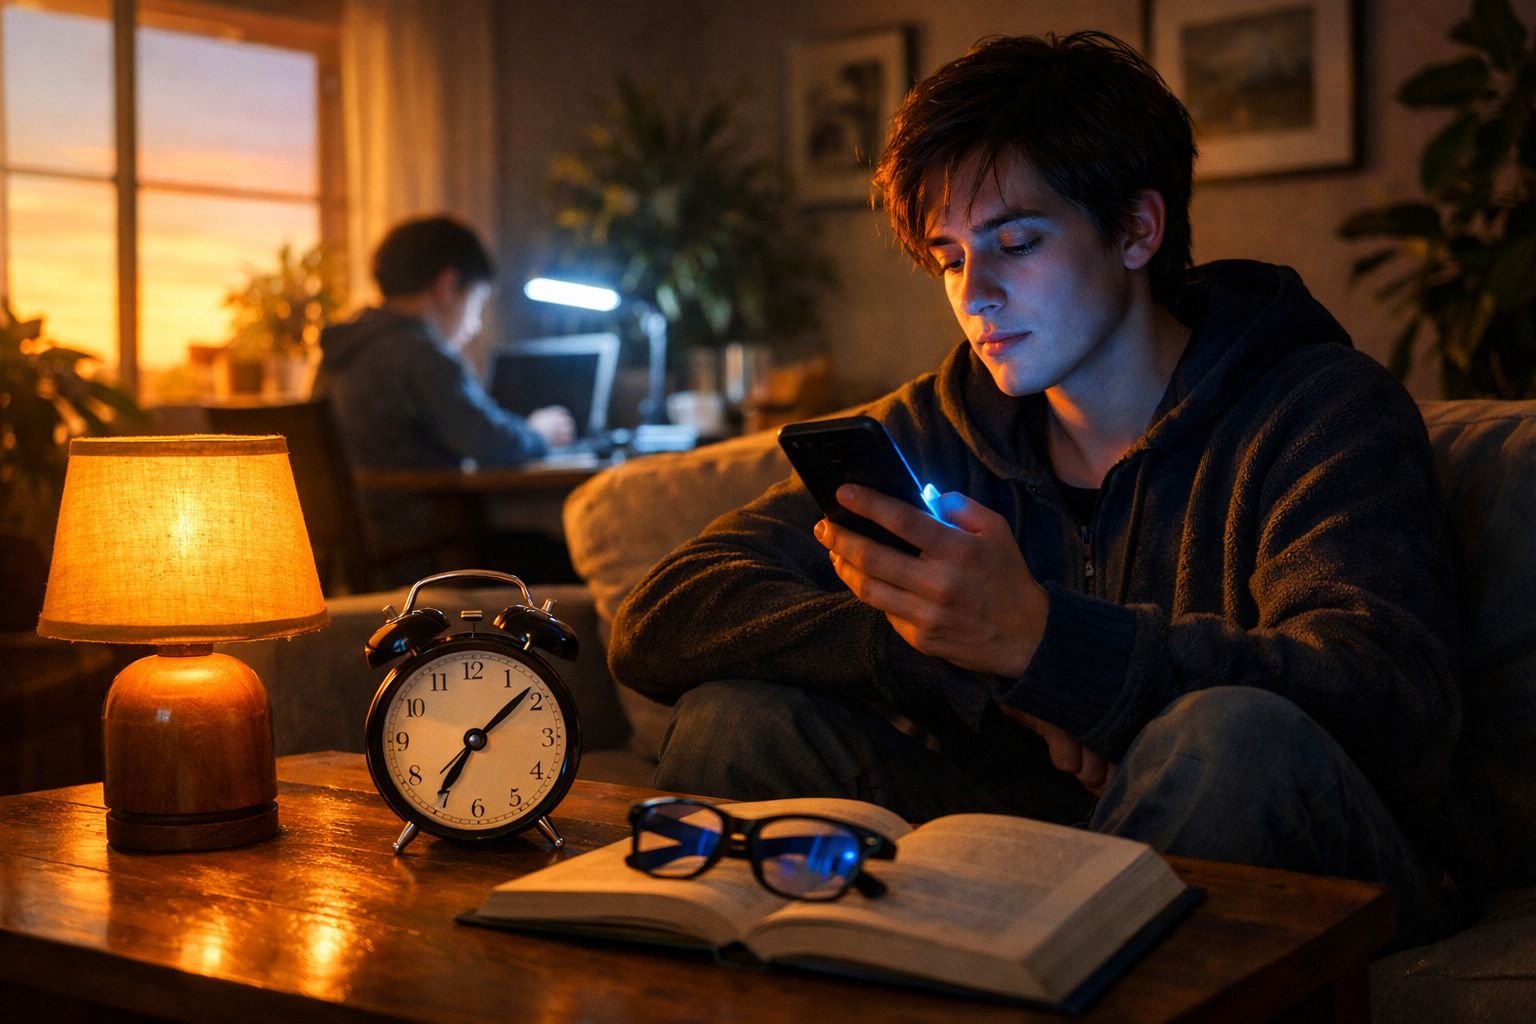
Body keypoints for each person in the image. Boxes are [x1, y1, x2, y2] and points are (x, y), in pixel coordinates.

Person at [606, 32, 1463, 947]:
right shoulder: (938, 426)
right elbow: (660, 619)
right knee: (735, 725)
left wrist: (1047, 641)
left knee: (1226, 739)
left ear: (1138, 228)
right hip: (1026, 844)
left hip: (1278, 842)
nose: (976, 293)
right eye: (948, 256)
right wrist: (961, 655)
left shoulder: (1316, 407)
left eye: (1016, 242)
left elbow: (1384, 695)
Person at [316, 215, 577, 581]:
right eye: (477, 302)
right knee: (567, 556)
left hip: (354, 555)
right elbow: (489, 441)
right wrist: (539, 432)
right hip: (420, 551)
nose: (477, 324)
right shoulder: (420, 353)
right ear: (448, 286)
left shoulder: (339, 354)